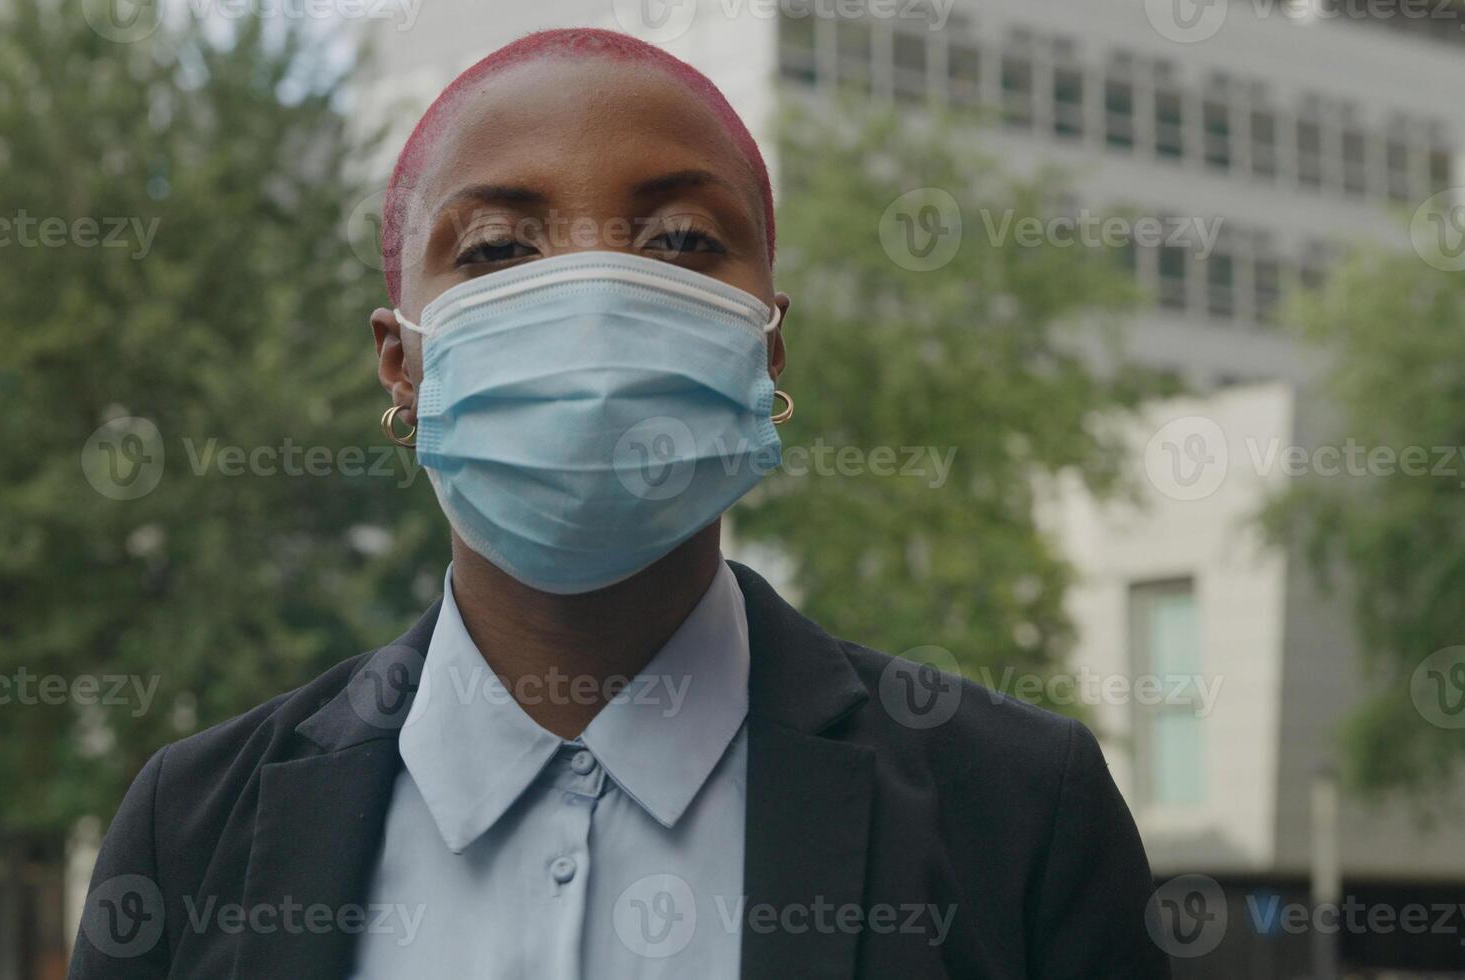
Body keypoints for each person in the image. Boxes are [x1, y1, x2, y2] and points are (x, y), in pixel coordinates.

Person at [68, 28, 1171, 980]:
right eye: (496, 248)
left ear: (764, 344)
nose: (593, 299)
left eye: (681, 240)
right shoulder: (193, 830)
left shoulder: (1019, 816)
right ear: (399, 363)